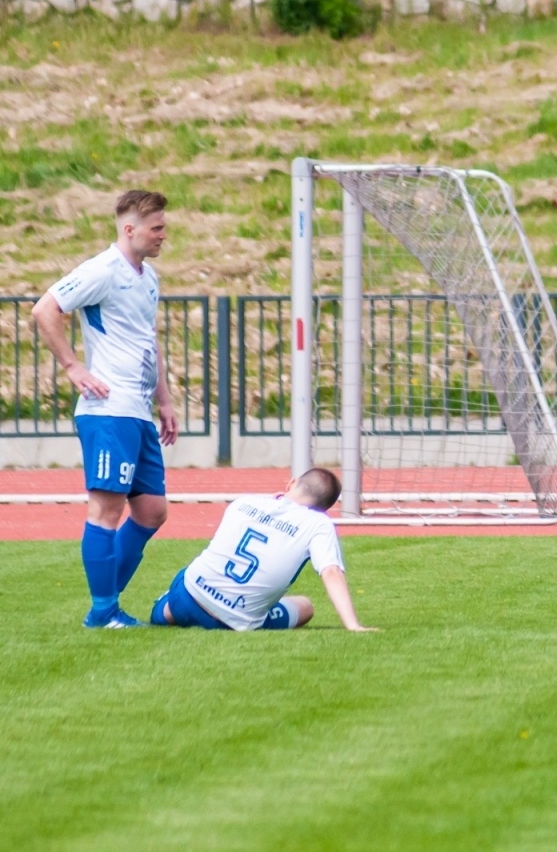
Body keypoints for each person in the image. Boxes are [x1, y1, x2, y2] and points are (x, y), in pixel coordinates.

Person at [33, 190, 179, 629]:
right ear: (129, 229)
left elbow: (147, 339)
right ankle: (103, 612)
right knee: (106, 510)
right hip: (107, 410)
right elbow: (46, 309)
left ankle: (106, 600)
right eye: (156, 227)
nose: (163, 235)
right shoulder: (101, 270)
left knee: (153, 511)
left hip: (136, 410)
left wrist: (165, 399)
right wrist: (72, 365)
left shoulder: (147, 277)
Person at [150, 468, 377, 633]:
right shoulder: (318, 523)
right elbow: (331, 572)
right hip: (236, 620)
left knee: (185, 590)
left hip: (188, 593)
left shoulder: (244, 502)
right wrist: (353, 625)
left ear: (291, 484)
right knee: (305, 606)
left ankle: (166, 608)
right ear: (324, 508)